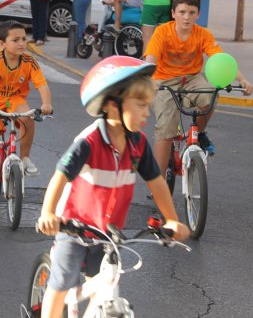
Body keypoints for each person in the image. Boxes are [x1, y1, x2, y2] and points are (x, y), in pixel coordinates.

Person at [36, 55, 190, 318]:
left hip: (108, 232)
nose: (146, 113)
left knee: (106, 286)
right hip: (74, 227)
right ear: (111, 106)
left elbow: (157, 183)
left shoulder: (138, 144)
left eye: (147, 106)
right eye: (140, 105)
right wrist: (49, 214)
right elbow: (59, 177)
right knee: (60, 285)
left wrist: (172, 220)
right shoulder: (89, 141)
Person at [144, 0, 253, 174]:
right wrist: (148, 80)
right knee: (166, 129)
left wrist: (243, 80)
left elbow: (221, 59)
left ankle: (198, 133)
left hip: (192, 79)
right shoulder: (163, 32)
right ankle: (158, 184)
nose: (186, 17)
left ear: (198, 14)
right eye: (182, 12)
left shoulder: (203, 34)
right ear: (173, 13)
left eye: (191, 13)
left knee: (210, 96)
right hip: (164, 81)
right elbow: (151, 61)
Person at [0, 21, 53, 200]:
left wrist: (46, 104)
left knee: (28, 117)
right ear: (2, 44)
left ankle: (24, 158)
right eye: (15, 40)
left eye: (24, 38)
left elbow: (42, 84)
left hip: (14, 100)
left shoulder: (29, 61)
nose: (22, 43)